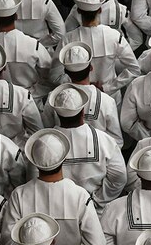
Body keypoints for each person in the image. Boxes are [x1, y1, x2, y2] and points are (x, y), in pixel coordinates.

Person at [45, 84, 127, 212]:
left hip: (56, 210)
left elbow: (37, 180)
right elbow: (119, 178)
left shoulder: (45, 144)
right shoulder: (105, 141)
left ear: (56, 113)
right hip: (95, 211)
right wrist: (95, 200)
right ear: (83, 112)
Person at [63, 0, 140, 100]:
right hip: (110, 96)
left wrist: (77, 83)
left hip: (78, 97)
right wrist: (108, 87)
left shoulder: (68, 39)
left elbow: (55, 75)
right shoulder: (115, 35)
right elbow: (134, 68)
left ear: (78, 10)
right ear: (100, 10)